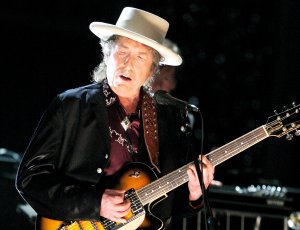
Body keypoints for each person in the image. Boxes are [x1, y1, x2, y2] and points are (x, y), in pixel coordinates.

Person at [16, 7, 215, 230]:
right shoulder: (72, 105)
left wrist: (195, 193)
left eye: (140, 57)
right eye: (122, 52)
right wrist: (95, 203)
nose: (128, 64)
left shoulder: (168, 119)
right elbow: (30, 180)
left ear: (152, 70)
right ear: (107, 54)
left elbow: (168, 208)